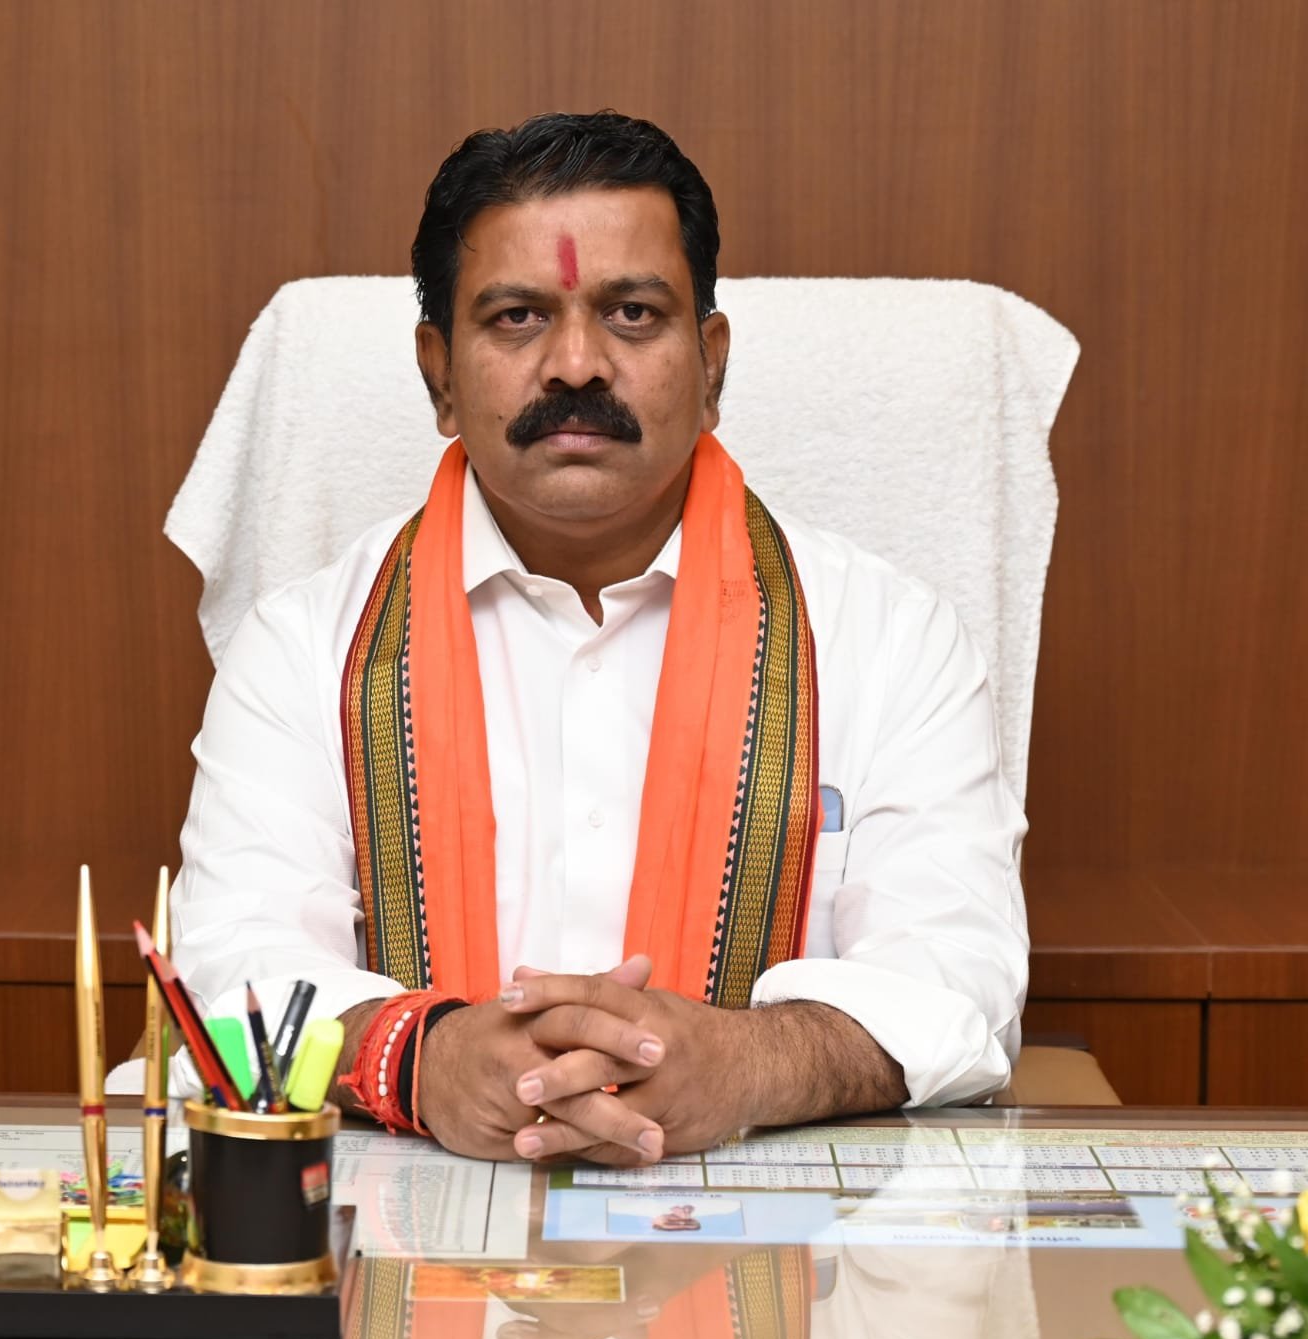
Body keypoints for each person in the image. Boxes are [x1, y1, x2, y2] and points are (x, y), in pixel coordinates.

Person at [171, 111, 1028, 1166]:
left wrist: (743, 1062)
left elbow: (960, 980)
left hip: (776, 1221)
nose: (575, 365)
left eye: (631, 313)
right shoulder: (306, 650)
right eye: (517, 317)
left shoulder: (891, 640)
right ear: (439, 375)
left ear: (711, 365)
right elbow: (233, 975)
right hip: (400, 1213)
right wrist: (422, 1060)